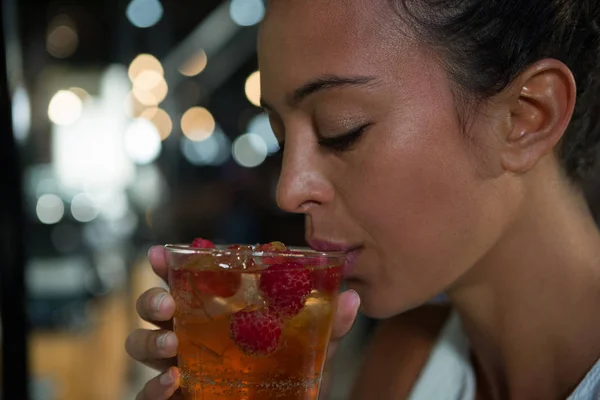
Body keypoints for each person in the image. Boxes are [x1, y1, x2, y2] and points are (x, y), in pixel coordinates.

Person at [125, 0, 600, 398]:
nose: (289, 191)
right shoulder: (403, 362)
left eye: (341, 130)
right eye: (280, 138)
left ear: (526, 117)